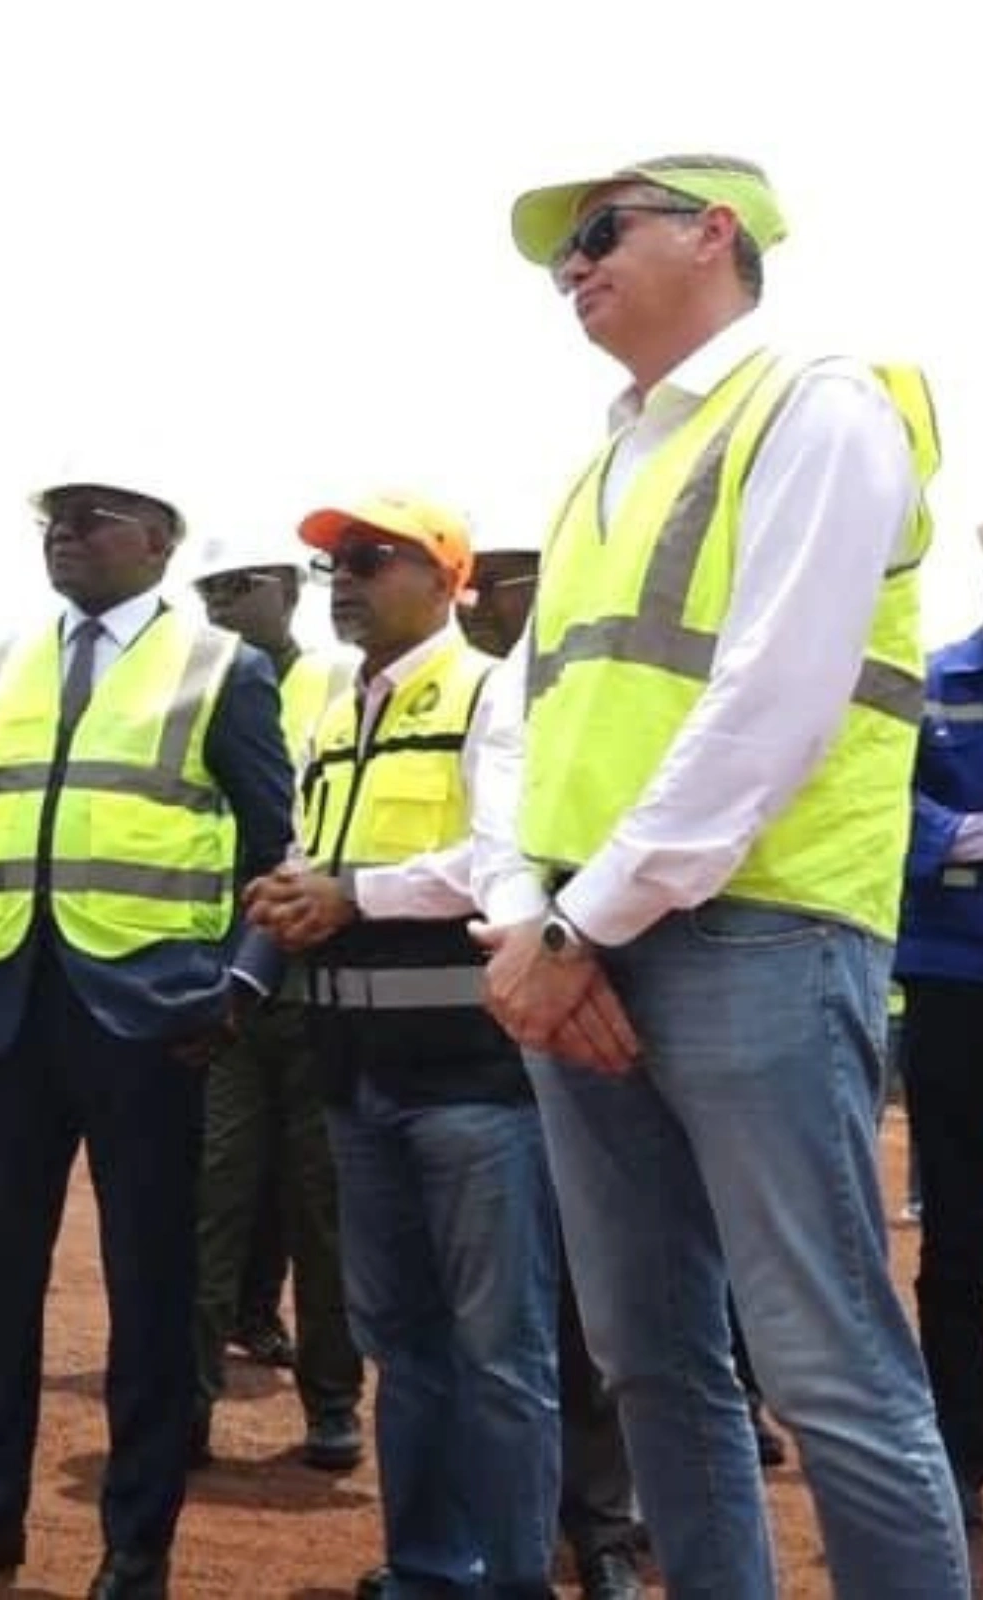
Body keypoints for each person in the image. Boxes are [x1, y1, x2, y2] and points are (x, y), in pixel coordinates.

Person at [476, 155, 967, 1596]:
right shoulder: (600, 466)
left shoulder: (820, 404)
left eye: (599, 233)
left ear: (716, 232)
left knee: (828, 1374)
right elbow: (523, 723)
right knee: (653, 1366)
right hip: (579, 949)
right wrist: (533, 920)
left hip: (752, 938)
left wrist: (574, 928)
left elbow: (776, 701)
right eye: (561, 252)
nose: (573, 267)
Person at [0, 473, 294, 1599]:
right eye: (52, 517)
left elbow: (278, 848)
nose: (65, 533)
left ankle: (135, 1547)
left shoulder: (222, 668)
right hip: (0, 1019)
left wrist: (243, 987)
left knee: (152, 1292)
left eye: (94, 515)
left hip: (152, 1023)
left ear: (160, 541)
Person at [246, 493, 560, 1598]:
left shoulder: (491, 692)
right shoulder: (334, 714)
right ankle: (431, 1568)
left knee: (502, 1356)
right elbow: (317, 852)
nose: (343, 575)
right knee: (407, 1347)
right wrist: (290, 892)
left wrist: (350, 891)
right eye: (334, 560)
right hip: (355, 1073)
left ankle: (516, 1577)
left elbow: (503, 860)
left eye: (372, 558)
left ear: (446, 579)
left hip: (473, 1077)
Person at [457, 535, 648, 1598]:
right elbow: (480, 848)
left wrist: (551, 944)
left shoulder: (576, 689)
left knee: (595, 1297)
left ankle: (608, 1533)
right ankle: (510, 1539)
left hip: (575, 1004)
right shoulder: (465, 697)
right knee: (497, 1314)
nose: (489, 602)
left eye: (509, 586)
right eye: (476, 587)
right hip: (469, 1035)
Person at [186, 533, 363, 1470]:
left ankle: (332, 1402)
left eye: (238, 585)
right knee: (209, 1205)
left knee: (322, 1210)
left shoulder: (339, 687)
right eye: (208, 588)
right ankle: (190, 1402)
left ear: (287, 589)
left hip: (321, 983)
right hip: (223, 989)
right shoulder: (195, 685)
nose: (220, 602)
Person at [894, 602, 983, 1526]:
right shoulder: (933, 685)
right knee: (958, 1234)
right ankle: (960, 1449)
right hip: (956, 985)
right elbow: (876, 788)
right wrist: (961, 834)